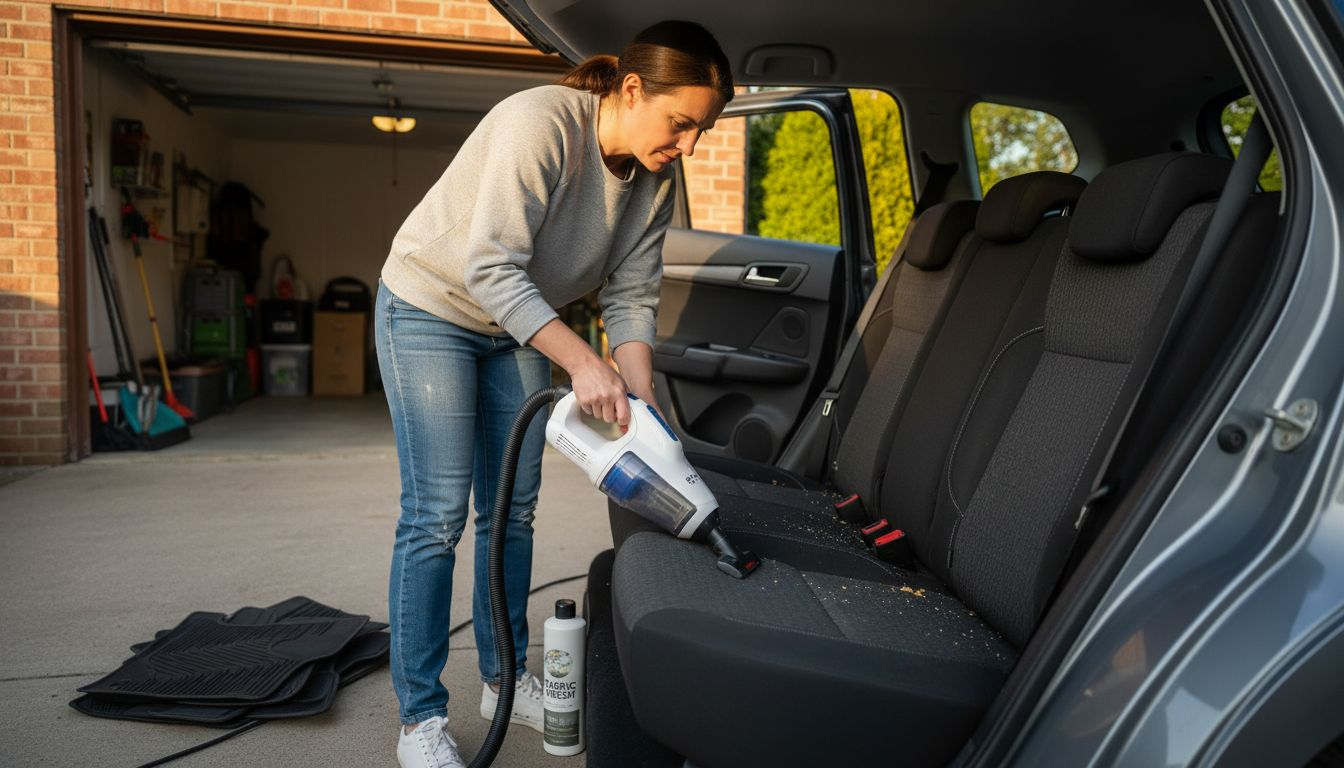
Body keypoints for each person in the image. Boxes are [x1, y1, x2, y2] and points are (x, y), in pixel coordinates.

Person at [375, 19, 733, 768]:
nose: (689, 145)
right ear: (633, 90)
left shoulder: (656, 175)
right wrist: (583, 365)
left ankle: (502, 679)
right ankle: (420, 720)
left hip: (517, 324)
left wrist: (641, 406)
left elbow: (632, 296)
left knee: (512, 511)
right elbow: (490, 268)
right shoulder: (538, 124)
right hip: (430, 307)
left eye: (701, 130)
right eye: (682, 123)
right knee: (438, 515)